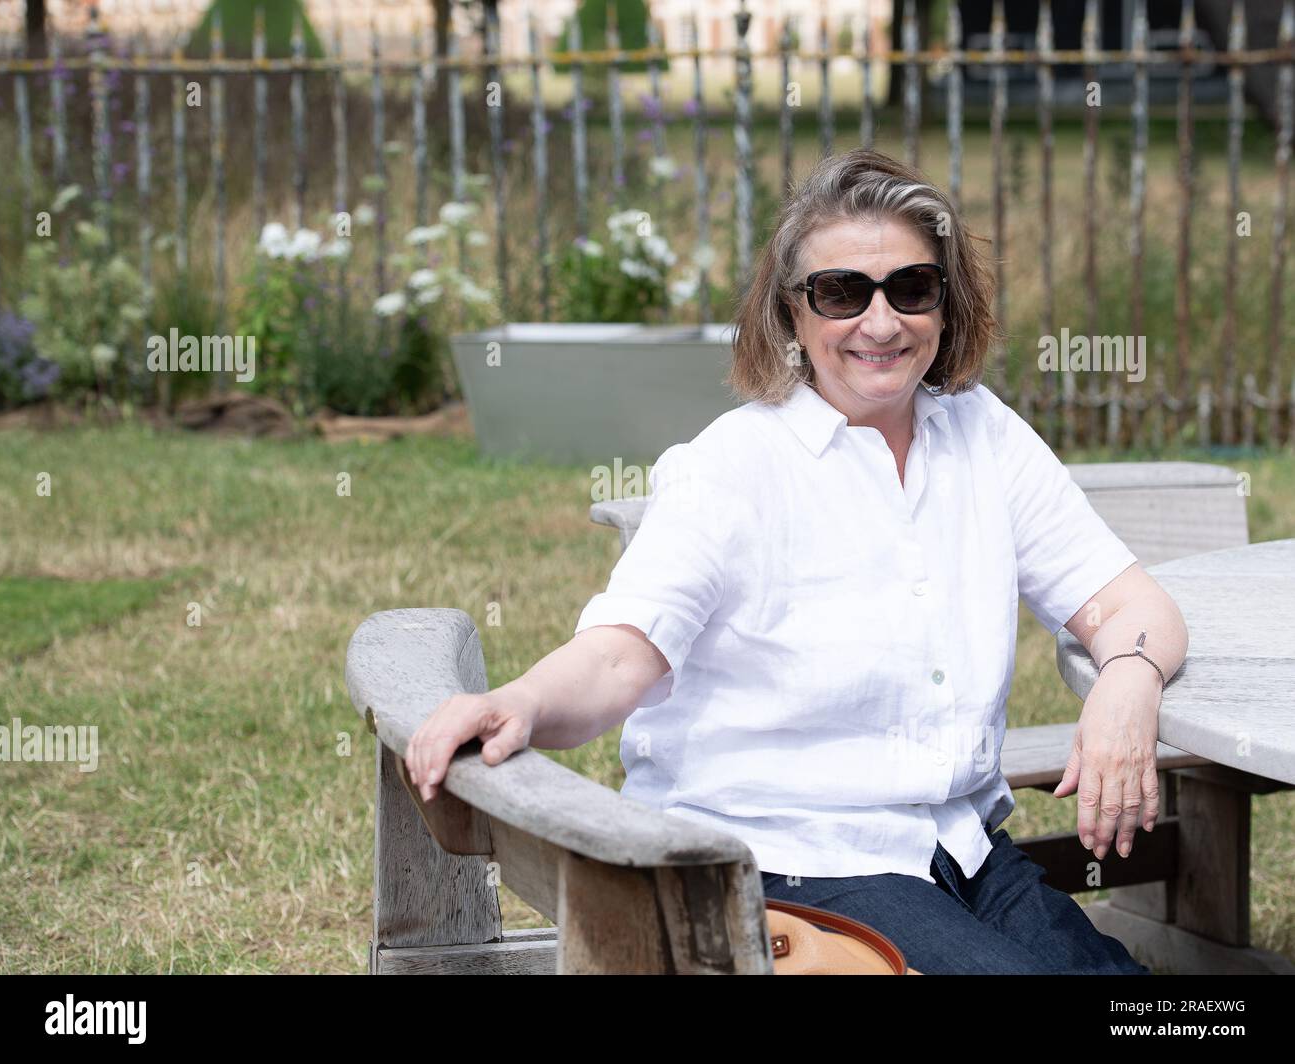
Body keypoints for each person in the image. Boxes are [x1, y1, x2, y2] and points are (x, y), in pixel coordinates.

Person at [406, 148, 1189, 975]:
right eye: (842, 292)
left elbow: (1134, 607)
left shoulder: (981, 434)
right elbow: (619, 653)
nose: (881, 323)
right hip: (789, 863)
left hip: (958, 849)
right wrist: (520, 699)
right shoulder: (733, 467)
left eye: (911, 288)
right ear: (791, 313)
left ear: (946, 303)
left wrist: (1127, 685)